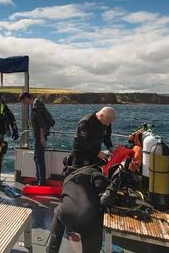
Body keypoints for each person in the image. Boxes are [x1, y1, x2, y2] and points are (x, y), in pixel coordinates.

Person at [46, 106, 116, 253]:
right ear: (101, 116)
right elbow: (82, 142)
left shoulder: (106, 123)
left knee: (89, 184)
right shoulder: (85, 122)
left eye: (111, 123)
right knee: (78, 182)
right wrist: (98, 153)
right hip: (80, 158)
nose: (109, 125)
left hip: (94, 158)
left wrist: (111, 149)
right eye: (108, 122)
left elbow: (107, 138)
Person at [19, 92, 55, 186]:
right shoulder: (36, 105)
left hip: (39, 137)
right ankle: (38, 178)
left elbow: (41, 124)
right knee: (36, 158)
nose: (23, 103)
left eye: (23, 101)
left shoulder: (35, 108)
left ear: (27, 98)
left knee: (39, 159)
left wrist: (42, 138)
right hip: (38, 136)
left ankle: (41, 181)